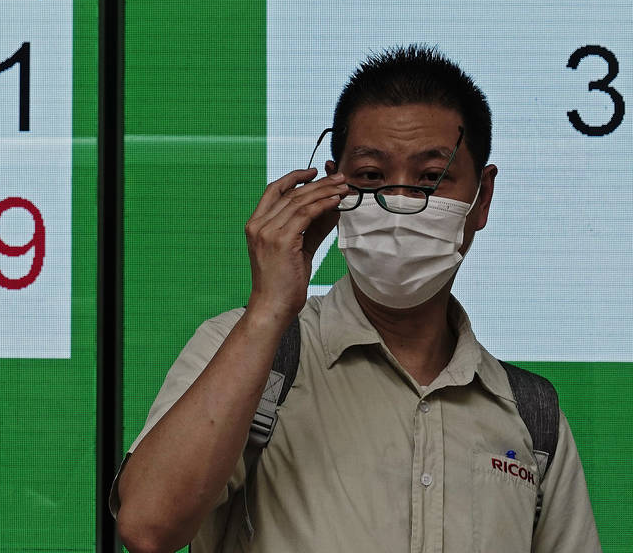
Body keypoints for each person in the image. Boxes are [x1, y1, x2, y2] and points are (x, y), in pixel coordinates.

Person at [112, 45, 601, 553]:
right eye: (370, 176)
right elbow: (148, 527)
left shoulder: (531, 415)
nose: (401, 203)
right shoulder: (250, 353)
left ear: (482, 197)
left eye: (431, 178)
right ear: (332, 186)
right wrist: (268, 308)